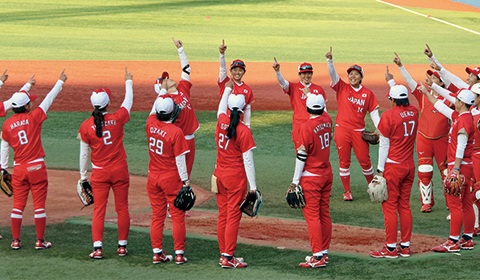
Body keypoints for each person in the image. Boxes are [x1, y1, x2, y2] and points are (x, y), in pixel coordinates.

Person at [1, 69, 67, 250]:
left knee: (17, 206)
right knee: (39, 206)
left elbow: (4, 146)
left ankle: (15, 241)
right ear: (27, 106)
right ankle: (39, 241)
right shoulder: (35, 117)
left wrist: (3, 168)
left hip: (19, 169)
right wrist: (60, 82)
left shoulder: (6, 124)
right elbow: (49, 99)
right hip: (37, 168)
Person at [78, 68, 132, 259]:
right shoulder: (117, 119)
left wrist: (83, 176)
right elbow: (128, 103)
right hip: (119, 170)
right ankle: (122, 247)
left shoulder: (86, 126)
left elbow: (83, 154)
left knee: (99, 210)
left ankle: (98, 248)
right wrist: (128, 82)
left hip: (99, 174)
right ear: (108, 102)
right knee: (122, 208)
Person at [417, 83, 476, 252]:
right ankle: (467, 238)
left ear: (462, 102)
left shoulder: (463, 120)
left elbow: (461, 145)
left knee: (455, 204)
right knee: (466, 203)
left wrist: (455, 170)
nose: (454, 101)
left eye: (457, 99)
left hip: (460, 167)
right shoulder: (462, 115)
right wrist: (427, 93)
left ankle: (452, 242)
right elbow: (440, 106)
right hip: (466, 167)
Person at [390, 53, 451, 213]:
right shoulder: (423, 94)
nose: (429, 79)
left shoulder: (451, 100)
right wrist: (400, 66)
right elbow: (410, 83)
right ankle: (426, 203)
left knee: (446, 173)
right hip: (424, 138)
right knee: (424, 171)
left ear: (442, 83)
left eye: (434, 78)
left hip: (442, 140)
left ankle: (451, 204)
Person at [369, 84, 419, 259]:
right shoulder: (414, 111)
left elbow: (384, 145)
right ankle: (404, 247)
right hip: (409, 166)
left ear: (393, 99)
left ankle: (390, 248)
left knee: (389, 207)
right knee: (404, 205)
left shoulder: (388, 115)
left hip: (393, 167)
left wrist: (379, 171)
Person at [325, 47, 380, 201]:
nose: (352, 76)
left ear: (361, 77)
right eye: (350, 74)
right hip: (342, 130)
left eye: (356, 74)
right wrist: (330, 61)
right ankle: (347, 191)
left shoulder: (368, 93)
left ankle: (372, 188)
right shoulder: (342, 87)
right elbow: (333, 75)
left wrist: (380, 129)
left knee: (365, 161)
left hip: (358, 132)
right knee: (344, 161)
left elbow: (374, 113)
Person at [146, 80, 190, 265]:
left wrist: (162, 90)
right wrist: (186, 182)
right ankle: (179, 253)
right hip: (171, 178)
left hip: (153, 177)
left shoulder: (150, 123)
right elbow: (180, 160)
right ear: (172, 112)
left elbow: (153, 110)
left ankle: (157, 253)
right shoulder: (176, 131)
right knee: (178, 216)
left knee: (157, 216)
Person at [215, 79, 258, 269]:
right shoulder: (243, 130)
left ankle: (224, 254)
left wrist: (227, 90)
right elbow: (248, 161)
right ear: (243, 110)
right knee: (233, 216)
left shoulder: (220, 121)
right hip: (235, 179)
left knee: (222, 216)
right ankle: (228, 256)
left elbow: (220, 109)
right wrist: (253, 187)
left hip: (218, 175)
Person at [291, 93, 333, 268]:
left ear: (307, 108)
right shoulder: (328, 119)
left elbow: (301, 155)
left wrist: (294, 182)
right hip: (326, 174)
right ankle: (323, 253)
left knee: (312, 216)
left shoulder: (306, 127)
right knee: (324, 213)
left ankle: (317, 256)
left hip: (311, 177)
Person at [154, 38, 199, 177]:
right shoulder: (167, 103)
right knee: (177, 175)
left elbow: (186, 70)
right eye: (165, 80)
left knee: (187, 175)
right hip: (180, 141)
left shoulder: (182, 89)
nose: (168, 79)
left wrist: (180, 50)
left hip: (191, 139)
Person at [272, 58, 327, 150]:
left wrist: (326, 126)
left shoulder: (319, 89)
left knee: (315, 153)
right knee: (301, 154)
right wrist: (277, 71)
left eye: (309, 73)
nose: (306, 76)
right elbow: (282, 83)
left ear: (312, 74)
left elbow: (324, 109)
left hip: (315, 126)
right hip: (299, 126)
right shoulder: (293, 87)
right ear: (299, 75)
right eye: (304, 73)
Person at [218, 40, 253, 127]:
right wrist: (222, 55)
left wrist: (248, 126)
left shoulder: (247, 90)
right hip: (224, 123)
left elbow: (247, 109)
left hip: (238, 125)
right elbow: (222, 69)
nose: (237, 73)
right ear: (230, 71)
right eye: (234, 70)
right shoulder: (226, 83)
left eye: (240, 70)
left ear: (244, 72)